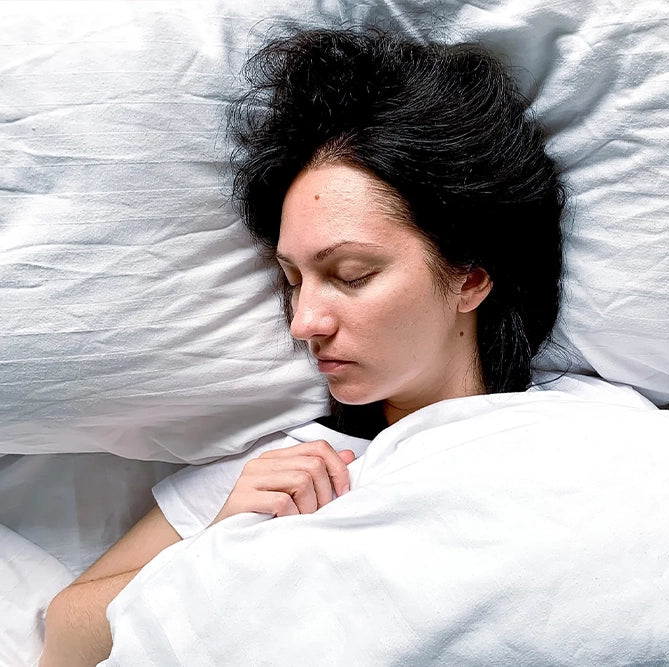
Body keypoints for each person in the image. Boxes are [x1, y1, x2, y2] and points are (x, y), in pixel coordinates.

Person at [40, 25, 565, 666]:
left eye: (351, 275)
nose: (303, 322)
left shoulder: (591, 421)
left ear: (470, 277)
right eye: (291, 281)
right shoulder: (286, 471)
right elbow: (65, 637)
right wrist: (222, 534)